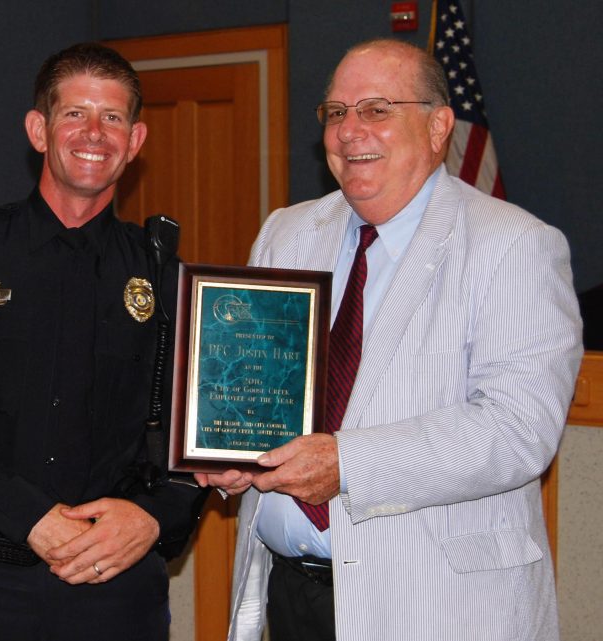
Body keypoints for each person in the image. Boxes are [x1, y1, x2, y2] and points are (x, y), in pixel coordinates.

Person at [197, 39, 582, 641]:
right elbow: (260, 390)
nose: (350, 131)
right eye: (336, 113)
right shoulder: (287, 233)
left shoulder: (514, 246)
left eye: (376, 109)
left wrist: (346, 464)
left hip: (438, 604)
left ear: (438, 126)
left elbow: (518, 429)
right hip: (290, 595)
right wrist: (235, 453)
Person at [0, 42, 207, 641]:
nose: (95, 133)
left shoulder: (164, 275)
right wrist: (27, 516)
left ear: (135, 141)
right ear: (39, 130)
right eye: (74, 114)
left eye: (113, 117)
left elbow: (203, 426)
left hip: (117, 583)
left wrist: (156, 517)